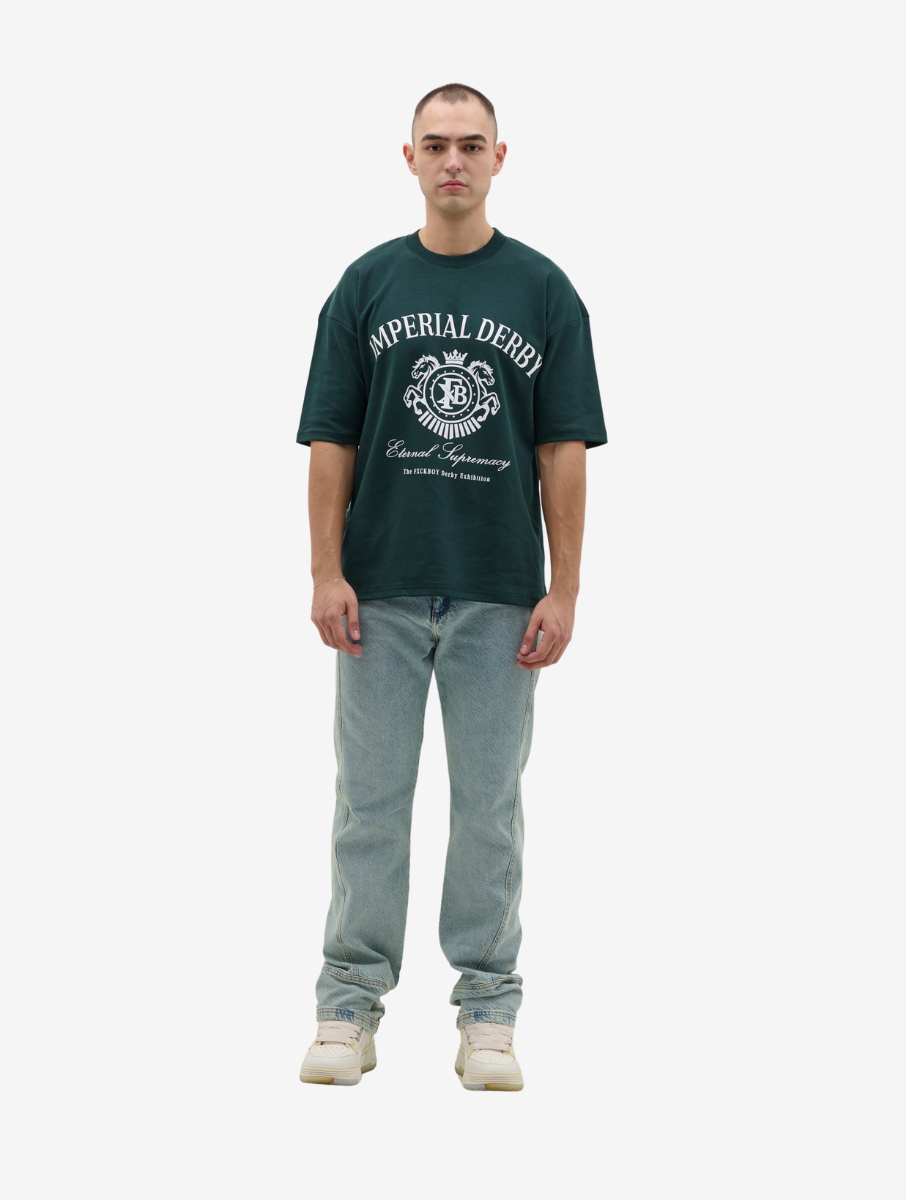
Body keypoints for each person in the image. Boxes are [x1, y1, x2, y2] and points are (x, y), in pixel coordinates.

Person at [294, 83, 607, 1090]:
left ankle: (488, 1014)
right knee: (369, 805)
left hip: (499, 594)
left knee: (488, 811)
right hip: (379, 592)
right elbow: (331, 439)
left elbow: (563, 448)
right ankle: (348, 1009)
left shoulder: (544, 291)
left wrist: (564, 587)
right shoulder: (366, 284)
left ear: (500, 157)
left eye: (472, 145)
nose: (454, 161)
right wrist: (325, 570)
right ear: (410, 158)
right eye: (436, 145)